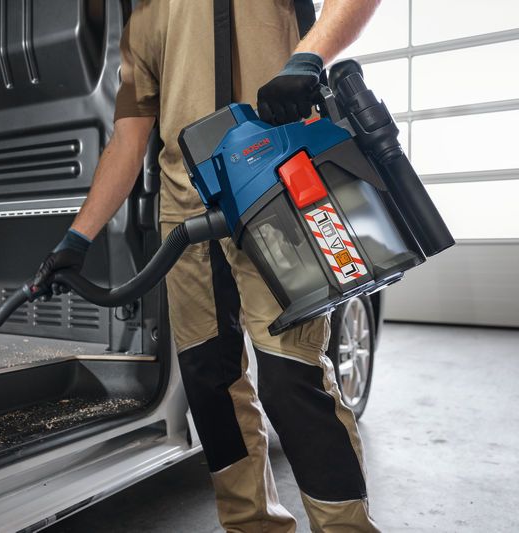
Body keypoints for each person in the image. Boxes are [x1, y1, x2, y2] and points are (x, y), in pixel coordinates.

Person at [33, 1, 382, 531]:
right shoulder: (142, 22)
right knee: (209, 385)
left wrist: (308, 57)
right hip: (186, 212)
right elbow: (130, 137)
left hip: (278, 187)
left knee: (294, 381)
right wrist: (76, 238)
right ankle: (253, 525)